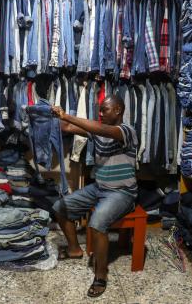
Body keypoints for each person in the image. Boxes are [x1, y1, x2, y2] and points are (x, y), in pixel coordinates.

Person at [51, 95, 138, 298]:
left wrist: (68, 115)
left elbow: (102, 130)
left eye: (104, 110)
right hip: (99, 187)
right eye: (100, 110)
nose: (100, 114)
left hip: (122, 192)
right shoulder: (98, 132)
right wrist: (53, 116)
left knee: (97, 223)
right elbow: (67, 128)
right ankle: (74, 250)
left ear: (118, 110)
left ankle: (101, 274)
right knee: (59, 207)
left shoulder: (127, 131)